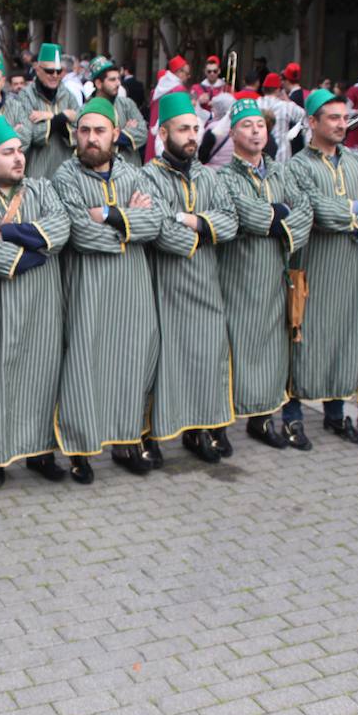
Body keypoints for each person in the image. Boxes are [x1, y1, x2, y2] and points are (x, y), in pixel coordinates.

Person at [51, 97, 161, 482]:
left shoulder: (135, 175)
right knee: (86, 363)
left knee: (131, 362)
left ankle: (127, 442)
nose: (92, 139)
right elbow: (78, 232)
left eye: (100, 131)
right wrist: (129, 226)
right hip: (88, 288)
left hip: (132, 289)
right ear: (75, 135)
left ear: (116, 133)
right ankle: (81, 449)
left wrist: (111, 215)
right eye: (85, 131)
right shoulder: (64, 177)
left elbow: (156, 224)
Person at [0, 116, 70, 482]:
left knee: (42, 376)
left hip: (42, 305)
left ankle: (40, 452)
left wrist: (10, 232)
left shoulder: (42, 189)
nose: (19, 158)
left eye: (20, 150)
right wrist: (40, 250)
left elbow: (62, 226)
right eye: (8, 153)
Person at [283, 89, 358, 447]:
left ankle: (335, 414)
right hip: (314, 269)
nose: (342, 124)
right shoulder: (297, 166)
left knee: (345, 338)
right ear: (312, 122)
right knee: (304, 339)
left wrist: (355, 213)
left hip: (352, 271)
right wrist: (356, 211)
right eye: (333, 118)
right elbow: (316, 211)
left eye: (345, 118)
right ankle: (293, 416)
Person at [141, 92, 238, 461]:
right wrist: (200, 231)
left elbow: (230, 223)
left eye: (195, 128)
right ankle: (150, 434)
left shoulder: (208, 177)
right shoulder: (147, 176)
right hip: (164, 286)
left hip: (206, 284)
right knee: (163, 364)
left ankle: (200, 431)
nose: (192, 136)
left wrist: (192, 220)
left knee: (206, 358)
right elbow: (158, 230)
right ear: (163, 134)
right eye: (183, 129)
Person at [215, 99, 312, 449]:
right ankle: (220, 425)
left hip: (274, 275)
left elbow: (305, 213)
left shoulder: (280, 172)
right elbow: (246, 215)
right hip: (237, 277)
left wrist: (276, 217)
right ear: (232, 133)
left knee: (271, 350)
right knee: (234, 351)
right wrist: (277, 214)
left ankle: (261, 420)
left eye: (260, 125)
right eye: (246, 126)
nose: (256, 131)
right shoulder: (223, 178)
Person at [18, 43, 81, 180]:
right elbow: (32, 135)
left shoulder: (68, 95)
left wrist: (52, 117)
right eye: (49, 71)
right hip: (36, 172)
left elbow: (79, 134)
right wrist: (64, 117)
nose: (55, 75)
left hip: (66, 173)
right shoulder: (25, 96)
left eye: (59, 71)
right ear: (37, 69)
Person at [89, 56, 147, 168]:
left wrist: (108, 137)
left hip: (130, 171)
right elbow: (89, 142)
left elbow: (143, 132)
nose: (118, 83)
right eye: (112, 80)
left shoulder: (127, 104)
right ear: (98, 83)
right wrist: (127, 132)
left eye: (118, 79)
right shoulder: (87, 109)